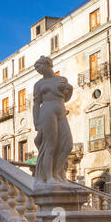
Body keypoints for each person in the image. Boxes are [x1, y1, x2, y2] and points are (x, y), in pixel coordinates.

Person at [33, 56, 73, 188]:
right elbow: (36, 104)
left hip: (61, 110)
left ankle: (57, 173)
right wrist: (36, 122)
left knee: (67, 145)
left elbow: (65, 98)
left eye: (38, 67)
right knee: (50, 145)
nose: (37, 70)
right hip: (47, 112)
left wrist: (70, 89)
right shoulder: (38, 84)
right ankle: (48, 176)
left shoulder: (61, 80)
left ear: (47, 64)